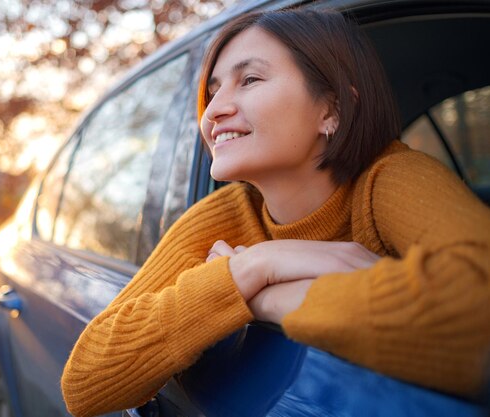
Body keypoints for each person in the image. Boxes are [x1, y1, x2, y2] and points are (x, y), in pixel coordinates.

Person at [61, 8, 490, 417]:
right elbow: (83, 383)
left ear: (332, 109)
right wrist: (257, 267)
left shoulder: (391, 179)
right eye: (212, 93)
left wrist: (267, 297)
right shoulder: (223, 216)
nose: (214, 111)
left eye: (249, 79)